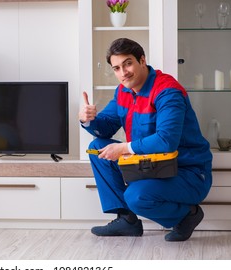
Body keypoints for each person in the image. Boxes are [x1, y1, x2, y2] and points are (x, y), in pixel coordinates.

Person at [79, 38, 212, 241]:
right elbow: (105, 128)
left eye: (128, 63)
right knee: (98, 147)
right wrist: (88, 120)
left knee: (136, 196)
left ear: (142, 60)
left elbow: (166, 141)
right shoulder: (123, 90)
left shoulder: (168, 91)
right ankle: (127, 220)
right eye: (116, 68)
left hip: (187, 172)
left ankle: (188, 215)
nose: (123, 73)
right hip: (151, 166)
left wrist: (124, 148)